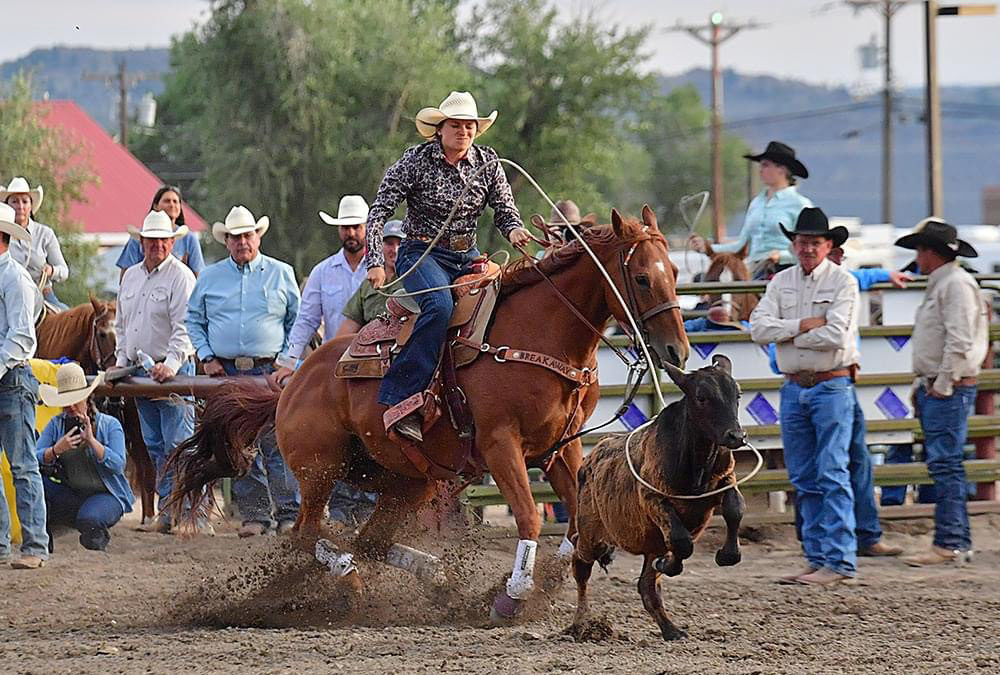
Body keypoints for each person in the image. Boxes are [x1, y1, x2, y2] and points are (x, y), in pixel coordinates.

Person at [365, 90, 531, 442]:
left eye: (469, 125)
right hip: (421, 253)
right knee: (439, 306)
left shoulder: (488, 163)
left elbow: (504, 209)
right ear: (439, 129)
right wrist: (376, 261)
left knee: (507, 300)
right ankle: (404, 398)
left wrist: (515, 229)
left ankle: (489, 397)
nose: (464, 131)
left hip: (466, 254)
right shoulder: (415, 161)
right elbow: (379, 210)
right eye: (456, 125)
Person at [750, 207, 860, 586]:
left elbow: (837, 336)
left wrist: (786, 334)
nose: (808, 248)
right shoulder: (782, 282)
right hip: (799, 384)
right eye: (802, 242)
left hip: (829, 383)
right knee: (805, 475)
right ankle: (819, 558)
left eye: (814, 242)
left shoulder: (844, 282)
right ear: (794, 245)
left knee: (829, 470)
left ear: (828, 245)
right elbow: (758, 328)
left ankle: (839, 559)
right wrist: (801, 325)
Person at [187, 205, 301, 537]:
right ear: (227, 241)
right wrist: (206, 356)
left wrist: (286, 359)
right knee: (236, 443)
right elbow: (194, 319)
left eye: (247, 235)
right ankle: (255, 515)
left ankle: (288, 512)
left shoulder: (281, 272)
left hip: (270, 370)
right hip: (227, 372)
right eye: (235, 237)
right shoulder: (209, 276)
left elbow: (297, 320)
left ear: (257, 236)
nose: (242, 242)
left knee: (276, 443)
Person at [893, 218, 987, 566]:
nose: (917, 257)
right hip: (942, 385)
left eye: (919, 250)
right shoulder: (949, 283)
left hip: (947, 387)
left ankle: (950, 541)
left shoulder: (954, 286)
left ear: (930, 253)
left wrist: (942, 384)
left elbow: (960, 341)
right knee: (946, 464)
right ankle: (954, 540)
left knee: (946, 465)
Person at [115, 210, 203, 534]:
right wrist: (121, 361)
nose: (157, 245)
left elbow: (185, 326)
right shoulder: (131, 277)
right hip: (141, 369)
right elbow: (123, 325)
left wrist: (173, 362)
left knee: (178, 443)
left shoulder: (181, 276)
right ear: (142, 242)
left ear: (171, 241)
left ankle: (188, 513)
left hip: (172, 369)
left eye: (163, 240)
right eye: (151, 240)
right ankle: (169, 512)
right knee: (154, 444)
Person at [272, 195, 370, 383]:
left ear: (367, 227)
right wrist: (290, 360)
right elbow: (307, 319)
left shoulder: (381, 270)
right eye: (345, 227)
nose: (350, 233)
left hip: (373, 360)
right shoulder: (322, 272)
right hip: (334, 360)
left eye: (356, 227)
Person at [36, 363, 134, 551]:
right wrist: (56, 450)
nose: (71, 407)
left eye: (75, 400)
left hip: (107, 494)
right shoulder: (56, 424)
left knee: (89, 520)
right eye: (66, 403)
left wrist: (91, 441)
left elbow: (118, 464)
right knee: (35, 483)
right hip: (73, 492)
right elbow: (35, 457)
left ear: (88, 398)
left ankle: (95, 529)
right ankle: (42, 542)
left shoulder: (109, 424)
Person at [0, 202, 48, 569]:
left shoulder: (14, 277)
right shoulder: (13, 277)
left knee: (22, 465)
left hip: (13, 377)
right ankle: (7, 544)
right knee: (20, 465)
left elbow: (20, 337)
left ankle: (34, 545)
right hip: (10, 376)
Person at [690, 141, 812, 279]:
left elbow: (810, 247)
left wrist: (781, 256)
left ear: (782, 169)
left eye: (765, 165)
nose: (760, 170)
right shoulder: (756, 203)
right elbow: (741, 245)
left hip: (788, 272)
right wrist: (708, 248)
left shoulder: (800, 204)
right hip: (755, 270)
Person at [1, 176, 69, 309]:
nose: (20, 206)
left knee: (69, 319)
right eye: (15, 201)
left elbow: (64, 270)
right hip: (8, 296)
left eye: (24, 201)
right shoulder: (2, 233)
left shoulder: (45, 234)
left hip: (43, 295)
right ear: (7, 206)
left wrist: (51, 270)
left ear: (31, 206)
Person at [116, 185, 205, 280]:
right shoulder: (137, 239)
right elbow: (126, 275)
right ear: (155, 206)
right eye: (167, 201)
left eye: (176, 202)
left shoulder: (189, 239)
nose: (172, 205)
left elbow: (198, 274)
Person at [335, 219, 406, 337]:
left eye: (400, 244)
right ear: (379, 246)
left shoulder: (417, 281)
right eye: (389, 243)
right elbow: (346, 331)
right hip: (371, 347)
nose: (395, 250)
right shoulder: (368, 284)